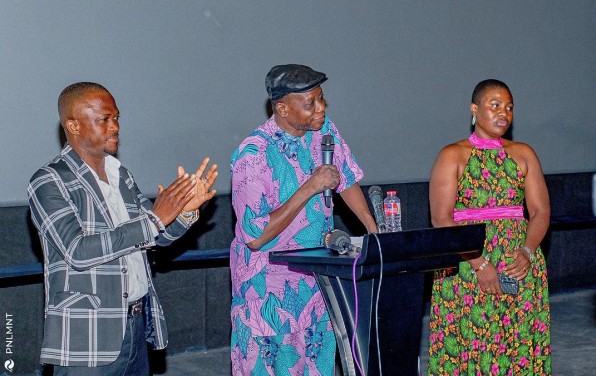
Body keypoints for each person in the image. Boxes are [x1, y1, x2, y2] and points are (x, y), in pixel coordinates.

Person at [28, 82, 218, 375]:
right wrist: (155, 219)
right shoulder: (49, 180)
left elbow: (157, 237)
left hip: (137, 325)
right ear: (73, 126)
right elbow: (77, 251)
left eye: (116, 118)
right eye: (104, 119)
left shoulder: (121, 175)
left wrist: (185, 211)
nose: (115, 126)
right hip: (87, 335)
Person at [229, 64, 377, 375]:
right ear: (282, 108)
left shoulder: (324, 132)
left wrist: (374, 232)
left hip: (316, 282)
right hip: (268, 291)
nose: (321, 108)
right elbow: (255, 237)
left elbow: (345, 178)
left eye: (321, 99)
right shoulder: (253, 154)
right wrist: (311, 187)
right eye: (310, 103)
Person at [427, 79, 551, 375]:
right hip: (466, 265)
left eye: (509, 108)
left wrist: (527, 252)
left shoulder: (524, 153)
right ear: (474, 109)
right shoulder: (452, 155)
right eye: (495, 105)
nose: (503, 113)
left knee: (517, 342)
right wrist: (480, 264)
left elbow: (541, 211)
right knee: (472, 342)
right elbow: (441, 218)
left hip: (518, 265)